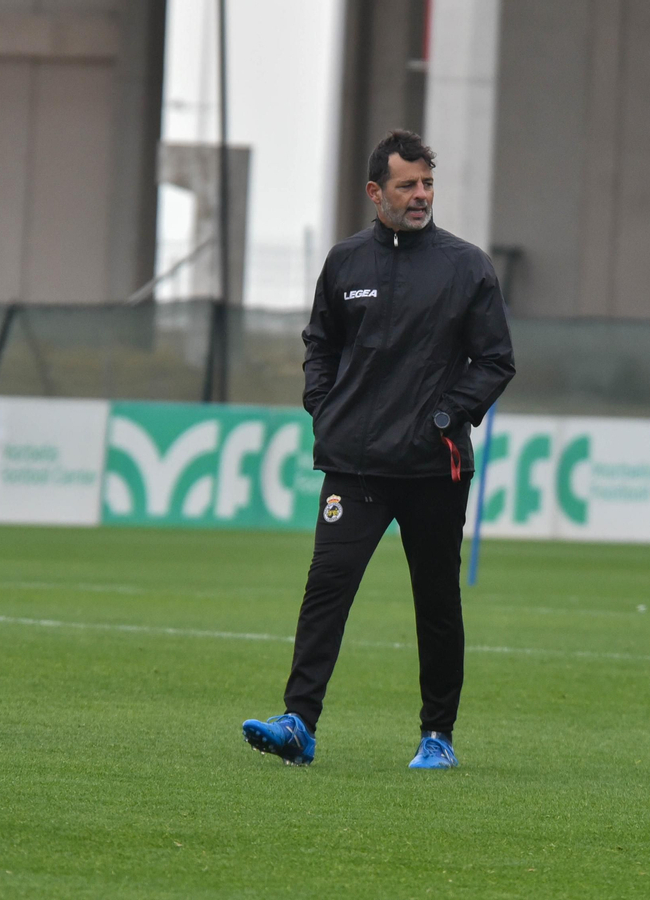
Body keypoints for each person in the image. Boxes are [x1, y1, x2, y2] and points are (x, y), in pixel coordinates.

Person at [241, 129, 515, 769]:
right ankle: (299, 724)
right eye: (406, 185)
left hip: (433, 467)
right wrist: (322, 404)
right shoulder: (344, 263)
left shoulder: (467, 265)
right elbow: (320, 343)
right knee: (325, 590)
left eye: (426, 184)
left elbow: (496, 360)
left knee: (437, 603)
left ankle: (437, 736)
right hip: (355, 465)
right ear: (375, 192)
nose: (420, 196)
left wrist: (446, 416)